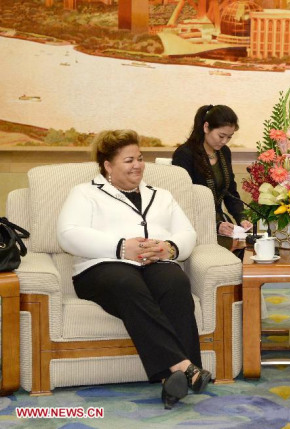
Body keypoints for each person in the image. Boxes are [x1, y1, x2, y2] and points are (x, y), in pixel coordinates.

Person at [57, 130, 211, 409]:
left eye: (140, 158)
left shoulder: (161, 195)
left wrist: (170, 249)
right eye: (129, 160)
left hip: (154, 263)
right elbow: (67, 234)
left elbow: (188, 233)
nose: (138, 165)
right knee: (127, 283)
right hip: (100, 268)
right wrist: (119, 248)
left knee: (175, 281)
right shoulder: (84, 193)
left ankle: (173, 380)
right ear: (107, 165)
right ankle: (185, 365)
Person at [172, 104, 252, 248]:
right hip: (194, 225)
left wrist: (242, 218)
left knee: (246, 246)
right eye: (221, 136)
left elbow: (230, 192)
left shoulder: (224, 152)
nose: (224, 141)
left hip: (221, 223)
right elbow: (183, 200)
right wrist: (215, 225)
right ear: (206, 127)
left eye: (229, 137)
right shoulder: (184, 154)